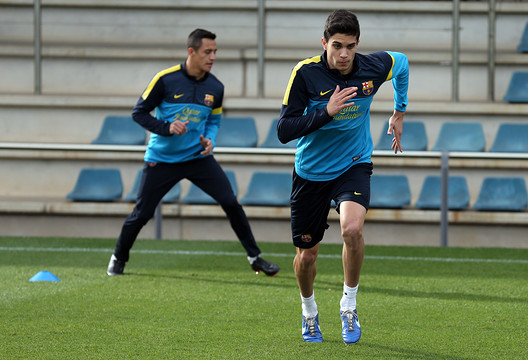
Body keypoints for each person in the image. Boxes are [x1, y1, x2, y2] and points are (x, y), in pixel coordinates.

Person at [277, 10, 409, 344]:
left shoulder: (373, 67)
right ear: (324, 43)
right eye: (337, 46)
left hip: (353, 163)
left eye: (350, 46)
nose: (344, 54)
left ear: (357, 44)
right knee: (307, 256)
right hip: (312, 172)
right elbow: (283, 130)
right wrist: (326, 112)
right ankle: (309, 313)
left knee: (352, 229)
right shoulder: (306, 74)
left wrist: (399, 111)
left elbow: (402, 63)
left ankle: (348, 305)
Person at [107, 28, 280, 278]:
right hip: (162, 160)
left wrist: (210, 140)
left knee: (231, 202)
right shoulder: (165, 79)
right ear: (191, 52)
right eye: (207, 52)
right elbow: (139, 113)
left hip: (198, 158)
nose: (212, 57)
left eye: (215, 52)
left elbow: (214, 122)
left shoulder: (216, 87)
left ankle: (255, 258)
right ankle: (118, 258)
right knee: (142, 214)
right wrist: (166, 127)